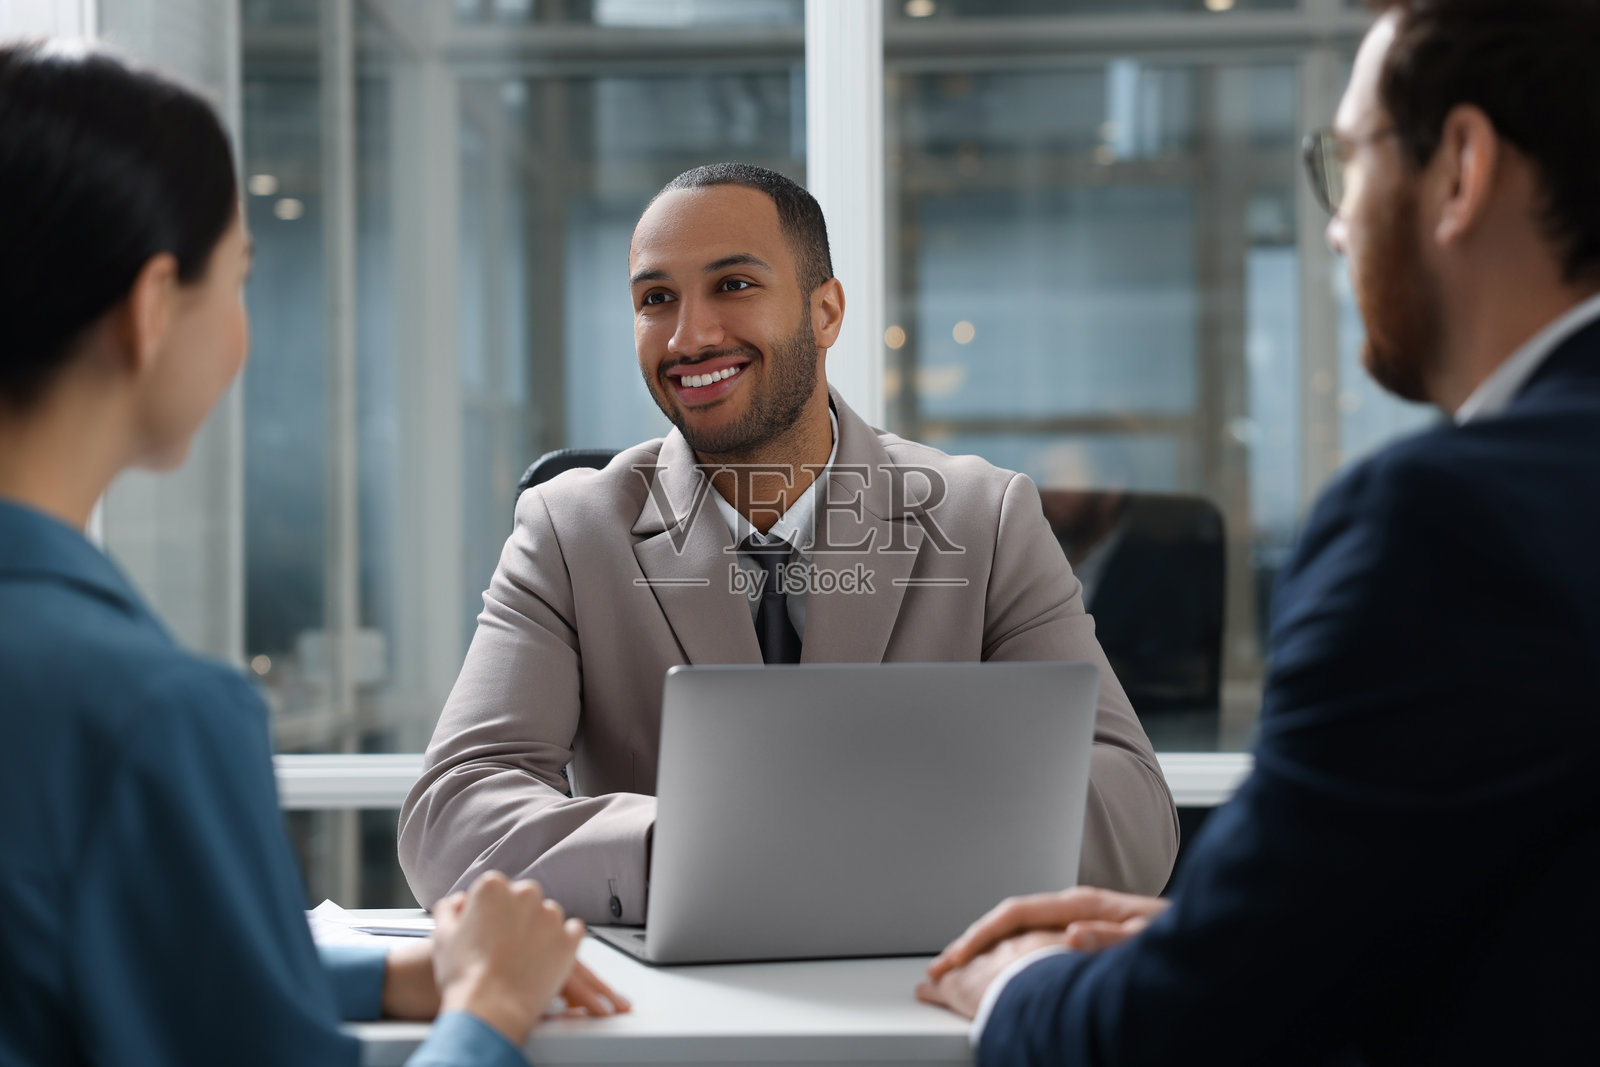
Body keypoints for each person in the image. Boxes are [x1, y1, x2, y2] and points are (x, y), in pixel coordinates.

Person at [916, 2, 1600, 1063]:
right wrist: (1237, 933)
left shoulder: (1443, 524)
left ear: (1458, 167)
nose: (1333, 224)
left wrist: (1022, 983)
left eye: (1346, 161)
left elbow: (1187, 1033)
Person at [0, 40, 626, 1066]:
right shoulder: (145, 718)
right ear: (153, 309)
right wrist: (488, 1012)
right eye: (238, 277)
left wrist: (375, 970)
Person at [398, 163, 1180, 924]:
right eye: (656, 299)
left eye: (734, 286)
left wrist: (832, 848)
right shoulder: (568, 532)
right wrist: (687, 850)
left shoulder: (986, 515)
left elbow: (1131, 814)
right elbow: (451, 815)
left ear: (826, 312)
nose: (689, 335)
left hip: (918, 999)